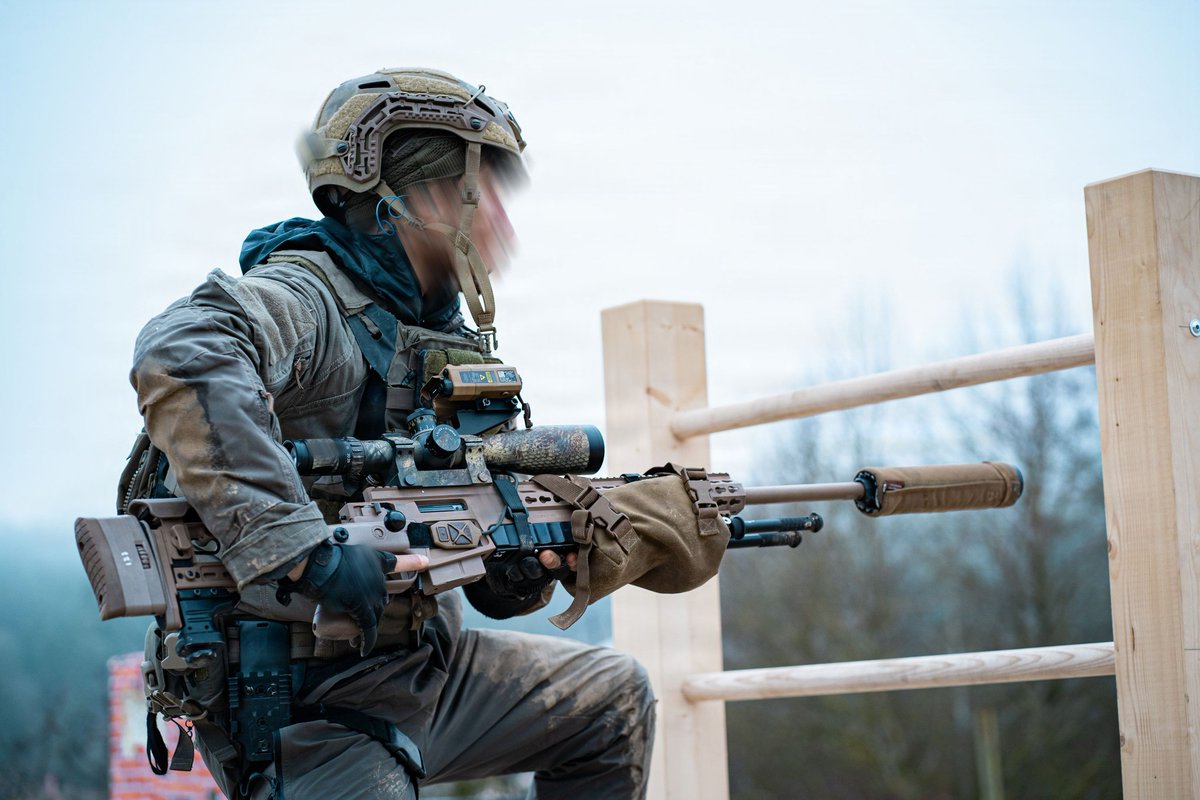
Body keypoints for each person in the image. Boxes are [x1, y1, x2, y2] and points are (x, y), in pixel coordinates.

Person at [129, 68, 656, 800]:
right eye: (487, 192)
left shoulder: (450, 343)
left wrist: (517, 569)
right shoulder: (309, 300)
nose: (504, 222)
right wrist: (301, 550)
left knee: (613, 699)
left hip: (420, 667)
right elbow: (182, 350)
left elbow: (482, 568)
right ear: (425, 198)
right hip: (300, 693)